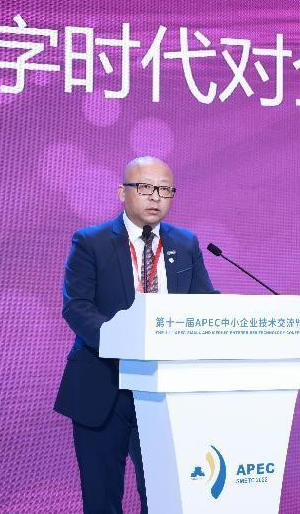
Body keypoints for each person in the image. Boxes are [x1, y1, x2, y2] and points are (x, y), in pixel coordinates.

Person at [54, 156, 218, 513]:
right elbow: (77, 306)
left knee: (164, 498)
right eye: (145, 188)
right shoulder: (91, 241)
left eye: (165, 190)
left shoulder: (185, 243)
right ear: (122, 193)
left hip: (165, 392)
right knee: (102, 499)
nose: (155, 197)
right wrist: (124, 342)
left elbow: (205, 305)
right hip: (103, 386)